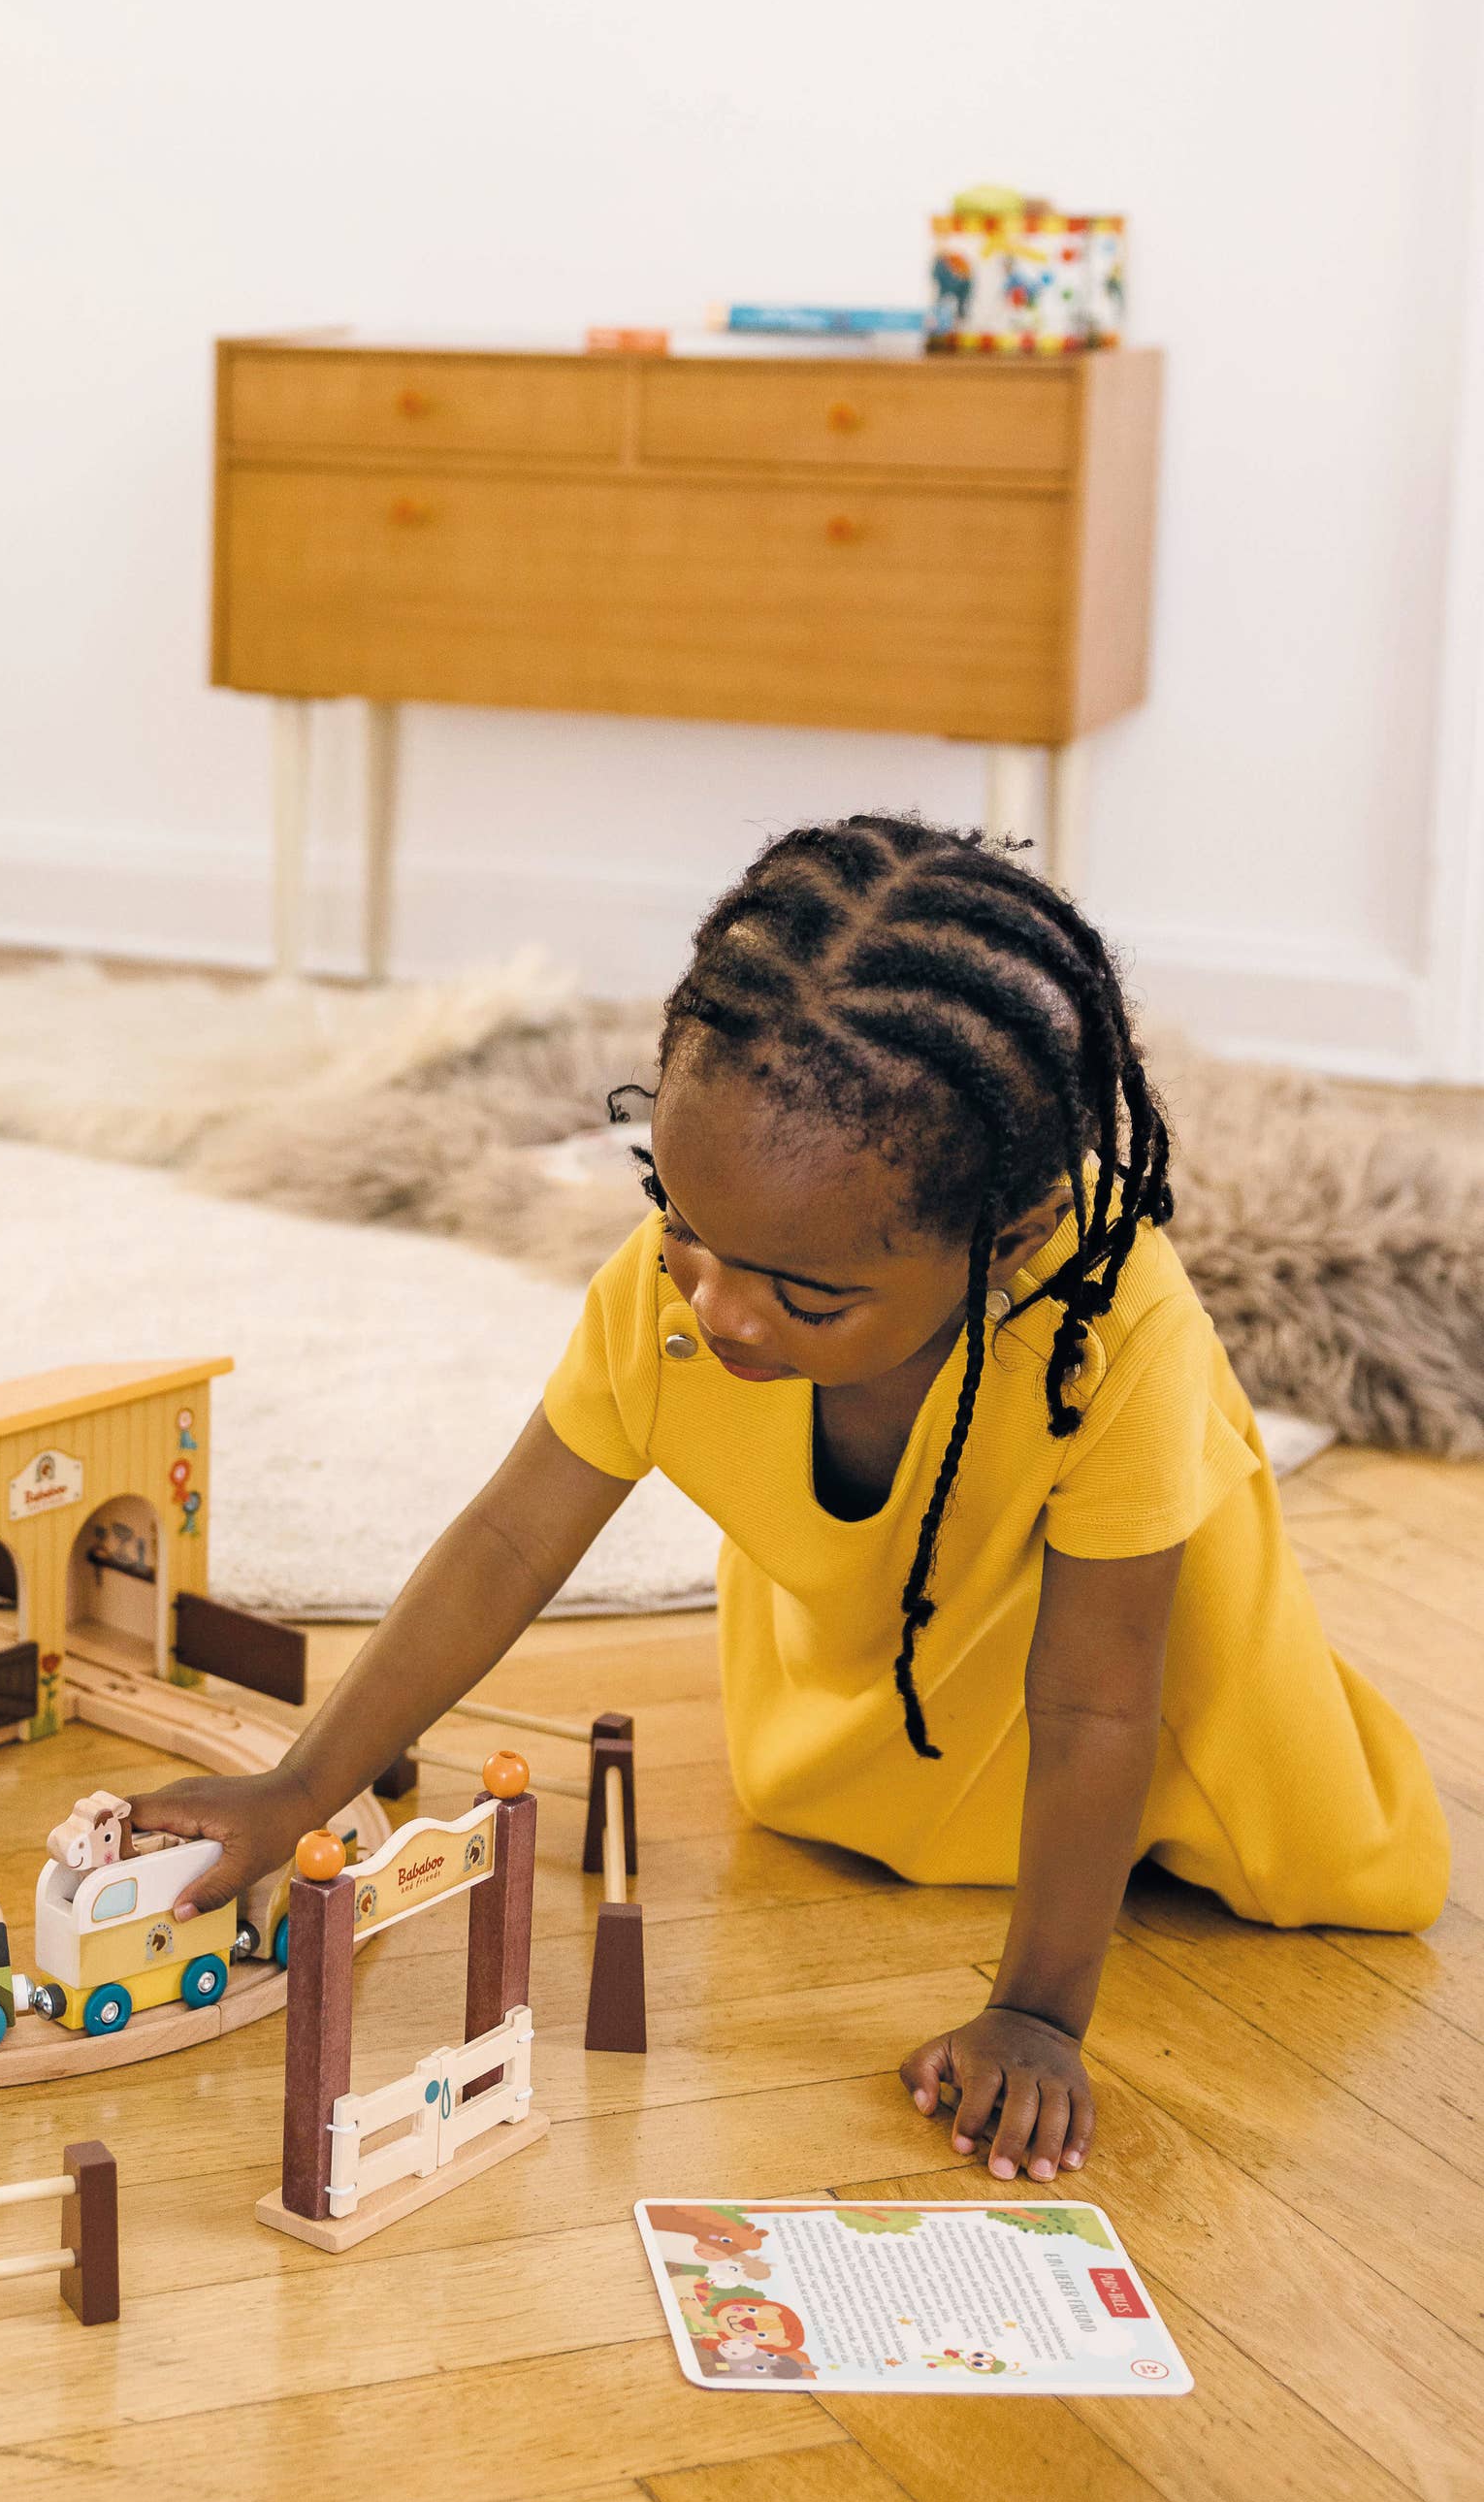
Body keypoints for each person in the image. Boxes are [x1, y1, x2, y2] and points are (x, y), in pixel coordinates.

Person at [131, 814, 1447, 2192]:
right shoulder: (675, 1294)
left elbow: (1098, 1701)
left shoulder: (1111, 1333)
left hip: (1149, 1660)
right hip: (890, 1673)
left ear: (1003, 1240)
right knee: (833, 1810)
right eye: (687, 1228)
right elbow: (511, 1537)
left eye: (806, 1296)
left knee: (1304, 1862)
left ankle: (1129, 1865)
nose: (722, 1311)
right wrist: (298, 1786)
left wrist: (1039, 2011)